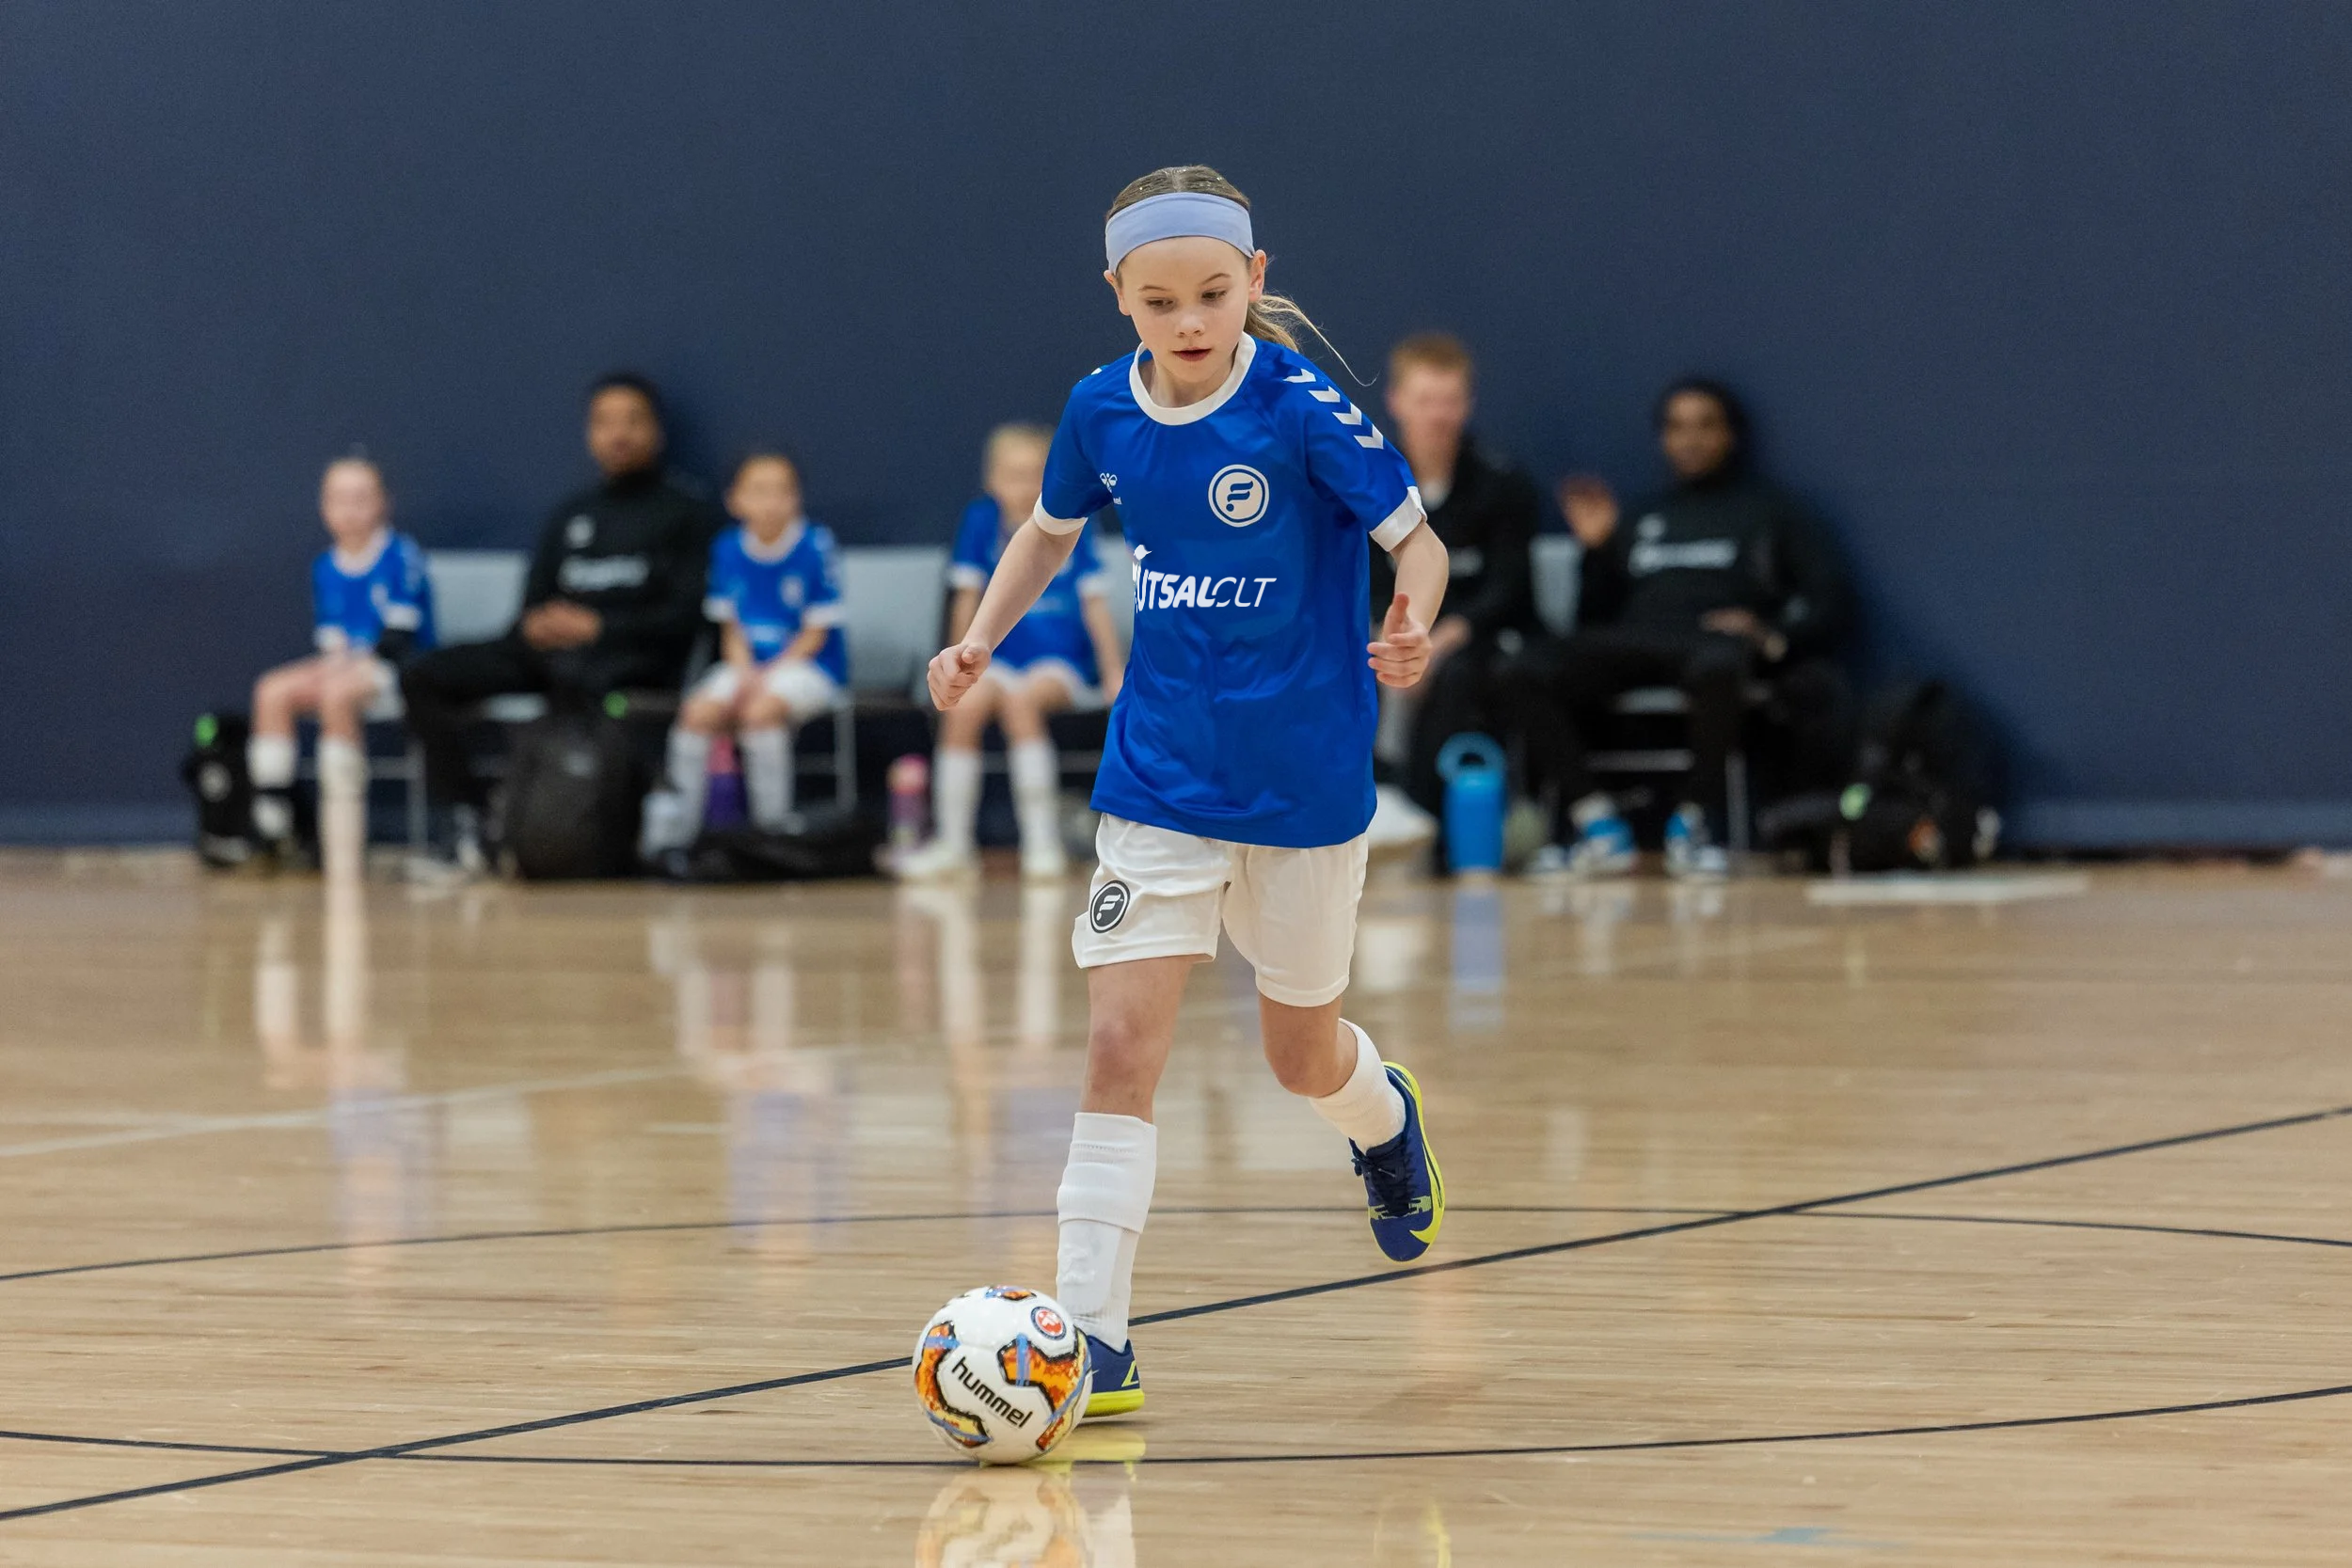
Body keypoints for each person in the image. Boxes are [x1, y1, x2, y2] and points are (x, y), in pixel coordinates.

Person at [925, 165, 1450, 1421]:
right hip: (1158, 773)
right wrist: (982, 637)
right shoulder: (1100, 411)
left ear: (1254, 281)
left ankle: (1382, 1118)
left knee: (1299, 1056)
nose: (1191, 319)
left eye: (1214, 292)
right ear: (1120, 297)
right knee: (1118, 1046)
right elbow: (1050, 531)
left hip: (1306, 779)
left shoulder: (1305, 408)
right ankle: (1095, 1339)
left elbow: (1417, 541)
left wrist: (1411, 618)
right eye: (1160, 299)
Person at [1499, 377, 1849, 879]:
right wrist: (1596, 551)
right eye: (1678, 427)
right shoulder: (1642, 514)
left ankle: (1694, 822)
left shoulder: (1772, 510)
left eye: (1706, 426)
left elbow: (1829, 600)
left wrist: (1768, 633)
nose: (1691, 439)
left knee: (1720, 664)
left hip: (1711, 643)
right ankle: (1596, 823)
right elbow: (1590, 618)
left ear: (1730, 435)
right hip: (1635, 640)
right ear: (1663, 439)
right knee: (1521, 668)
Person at [399, 372, 723, 873]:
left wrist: (599, 628)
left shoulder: (687, 514)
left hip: (629, 661)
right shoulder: (571, 513)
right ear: (589, 434)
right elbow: (531, 605)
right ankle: (471, 822)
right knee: (424, 677)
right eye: (604, 422)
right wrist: (534, 627)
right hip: (550, 655)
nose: (618, 434)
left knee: (583, 684)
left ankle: (577, 833)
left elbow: (686, 619)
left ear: (656, 431)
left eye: (632, 421)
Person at [898, 423, 1127, 883]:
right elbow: (966, 597)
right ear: (992, 481)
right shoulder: (980, 522)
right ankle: (953, 844)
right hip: (995, 663)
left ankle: (1041, 843)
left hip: (1058, 664)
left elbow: (1094, 604)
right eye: (1013, 476)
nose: (1024, 487)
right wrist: (957, 662)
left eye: (1034, 475)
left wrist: (1112, 672)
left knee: (1023, 705)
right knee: (962, 712)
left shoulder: (1074, 517)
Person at [1370, 333, 1541, 844]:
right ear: (1397, 402)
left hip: (1478, 638)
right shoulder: (1370, 480)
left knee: (1451, 673)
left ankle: (1418, 808)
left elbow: (1507, 590)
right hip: (1396, 628)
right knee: (1363, 657)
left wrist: (1435, 642)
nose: (1438, 416)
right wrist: (1397, 638)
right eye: (1425, 401)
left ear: (1466, 404)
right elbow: (1366, 582)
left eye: (1449, 401)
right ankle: (1368, 794)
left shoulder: (1501, 483)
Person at [246, 457, 437, 863]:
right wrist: (332, 667)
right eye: (338, 499)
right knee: (273, 690)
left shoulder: (401, 556)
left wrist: (345, 669)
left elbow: (397, 641)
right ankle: (274, 826)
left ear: (384, 503)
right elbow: (332, 642)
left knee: (336, 694)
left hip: (399, 672)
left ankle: (343, 833)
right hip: (346, 667)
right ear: (323, 506)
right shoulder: (326, 567)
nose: (349, 510)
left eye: (361, 499)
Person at [657, 452, 849, 845]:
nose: (771, 501)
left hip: (810, 667)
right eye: (759, 491)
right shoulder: (727, 548)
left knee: (760, 714)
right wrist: (745, 674)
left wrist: (765, 680)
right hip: (746, 665)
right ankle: (680, 839)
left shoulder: (816, 545)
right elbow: (731, 630)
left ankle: (771, 833)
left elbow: (815, 634)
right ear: (735, 500)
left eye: (782, 490)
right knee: (697, 713)